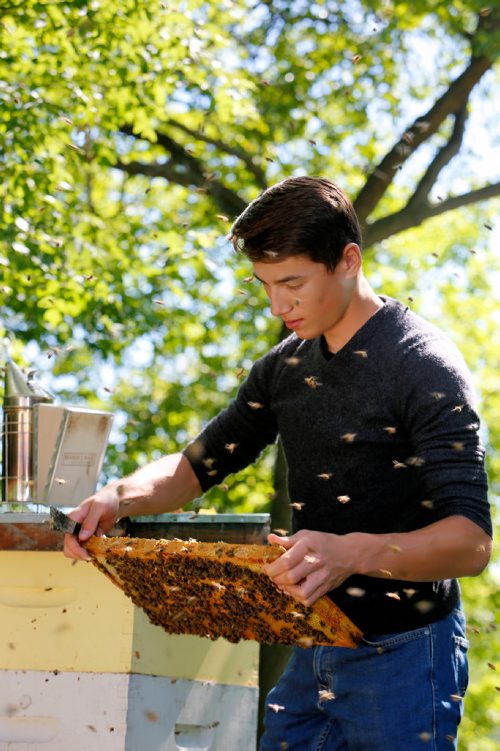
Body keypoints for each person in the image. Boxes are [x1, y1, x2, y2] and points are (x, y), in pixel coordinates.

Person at [64, 176, 492, 750]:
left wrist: (350, 553)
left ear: (347, 260)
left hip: (409, 656)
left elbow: (470, 543)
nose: (277, 305)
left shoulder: (424, 366)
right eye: (265, 285)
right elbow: (195, 467)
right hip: (312, 643)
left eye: (292, 283)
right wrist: (119, 496)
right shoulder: (283, 369)